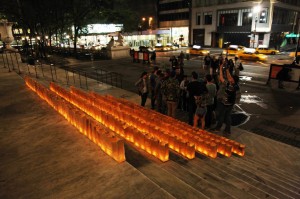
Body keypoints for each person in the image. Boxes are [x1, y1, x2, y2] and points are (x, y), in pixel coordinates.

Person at [213, 62, 240, 134]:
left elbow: (221, 77)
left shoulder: (229, 85)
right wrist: (227, 70)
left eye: (231, 78)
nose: (230, 78)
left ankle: (218, 128)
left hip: (225, 103)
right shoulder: (236, 86)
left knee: (221, 116)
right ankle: (228, 130)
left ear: (232, 80)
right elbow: (229, 77)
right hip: (231, 104)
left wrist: (221, 68)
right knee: (228, 116)